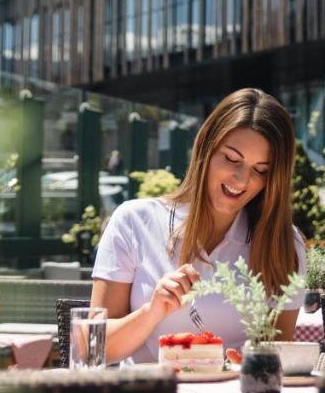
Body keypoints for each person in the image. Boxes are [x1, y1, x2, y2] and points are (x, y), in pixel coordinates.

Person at [90, 88, 306, 364]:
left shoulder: (284, 245)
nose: (241, 180)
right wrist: (152, 311)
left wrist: (251, 366)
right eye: (231, 158)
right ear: (205, 147)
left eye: (260, 170)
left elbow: (279, 365)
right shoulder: (134, 222)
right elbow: (91, 349)